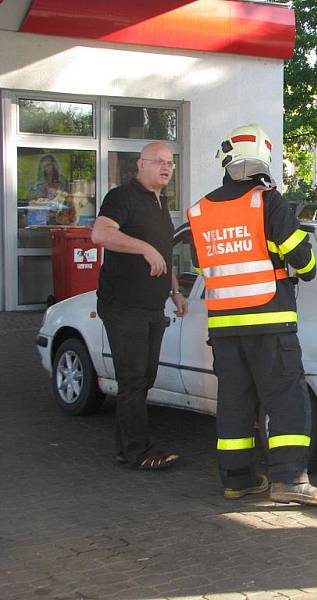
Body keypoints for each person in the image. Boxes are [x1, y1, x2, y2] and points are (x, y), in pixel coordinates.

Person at [187, 123, 317, 505]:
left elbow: (204, 269)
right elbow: (305, 262)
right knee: (287, 401)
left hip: (223, 327)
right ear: (263, 160)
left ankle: (239, 480)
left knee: (235, 404)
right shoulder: (267, 200)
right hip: (270, 322)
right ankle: (290, 481)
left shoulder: (200, 211)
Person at [91, 142, 188, 471]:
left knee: (143, 378)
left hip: (152, 306)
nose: (166, 167)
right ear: (140, 165)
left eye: (170, 163)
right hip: (123, 305)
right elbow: (100, 234)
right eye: (159, 162)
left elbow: (164, 254)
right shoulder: (122, 197)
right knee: (133, 380)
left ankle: (126, 447)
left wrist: (175, 291)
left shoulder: (161, 203)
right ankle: (138, 452)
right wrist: (143, 247)